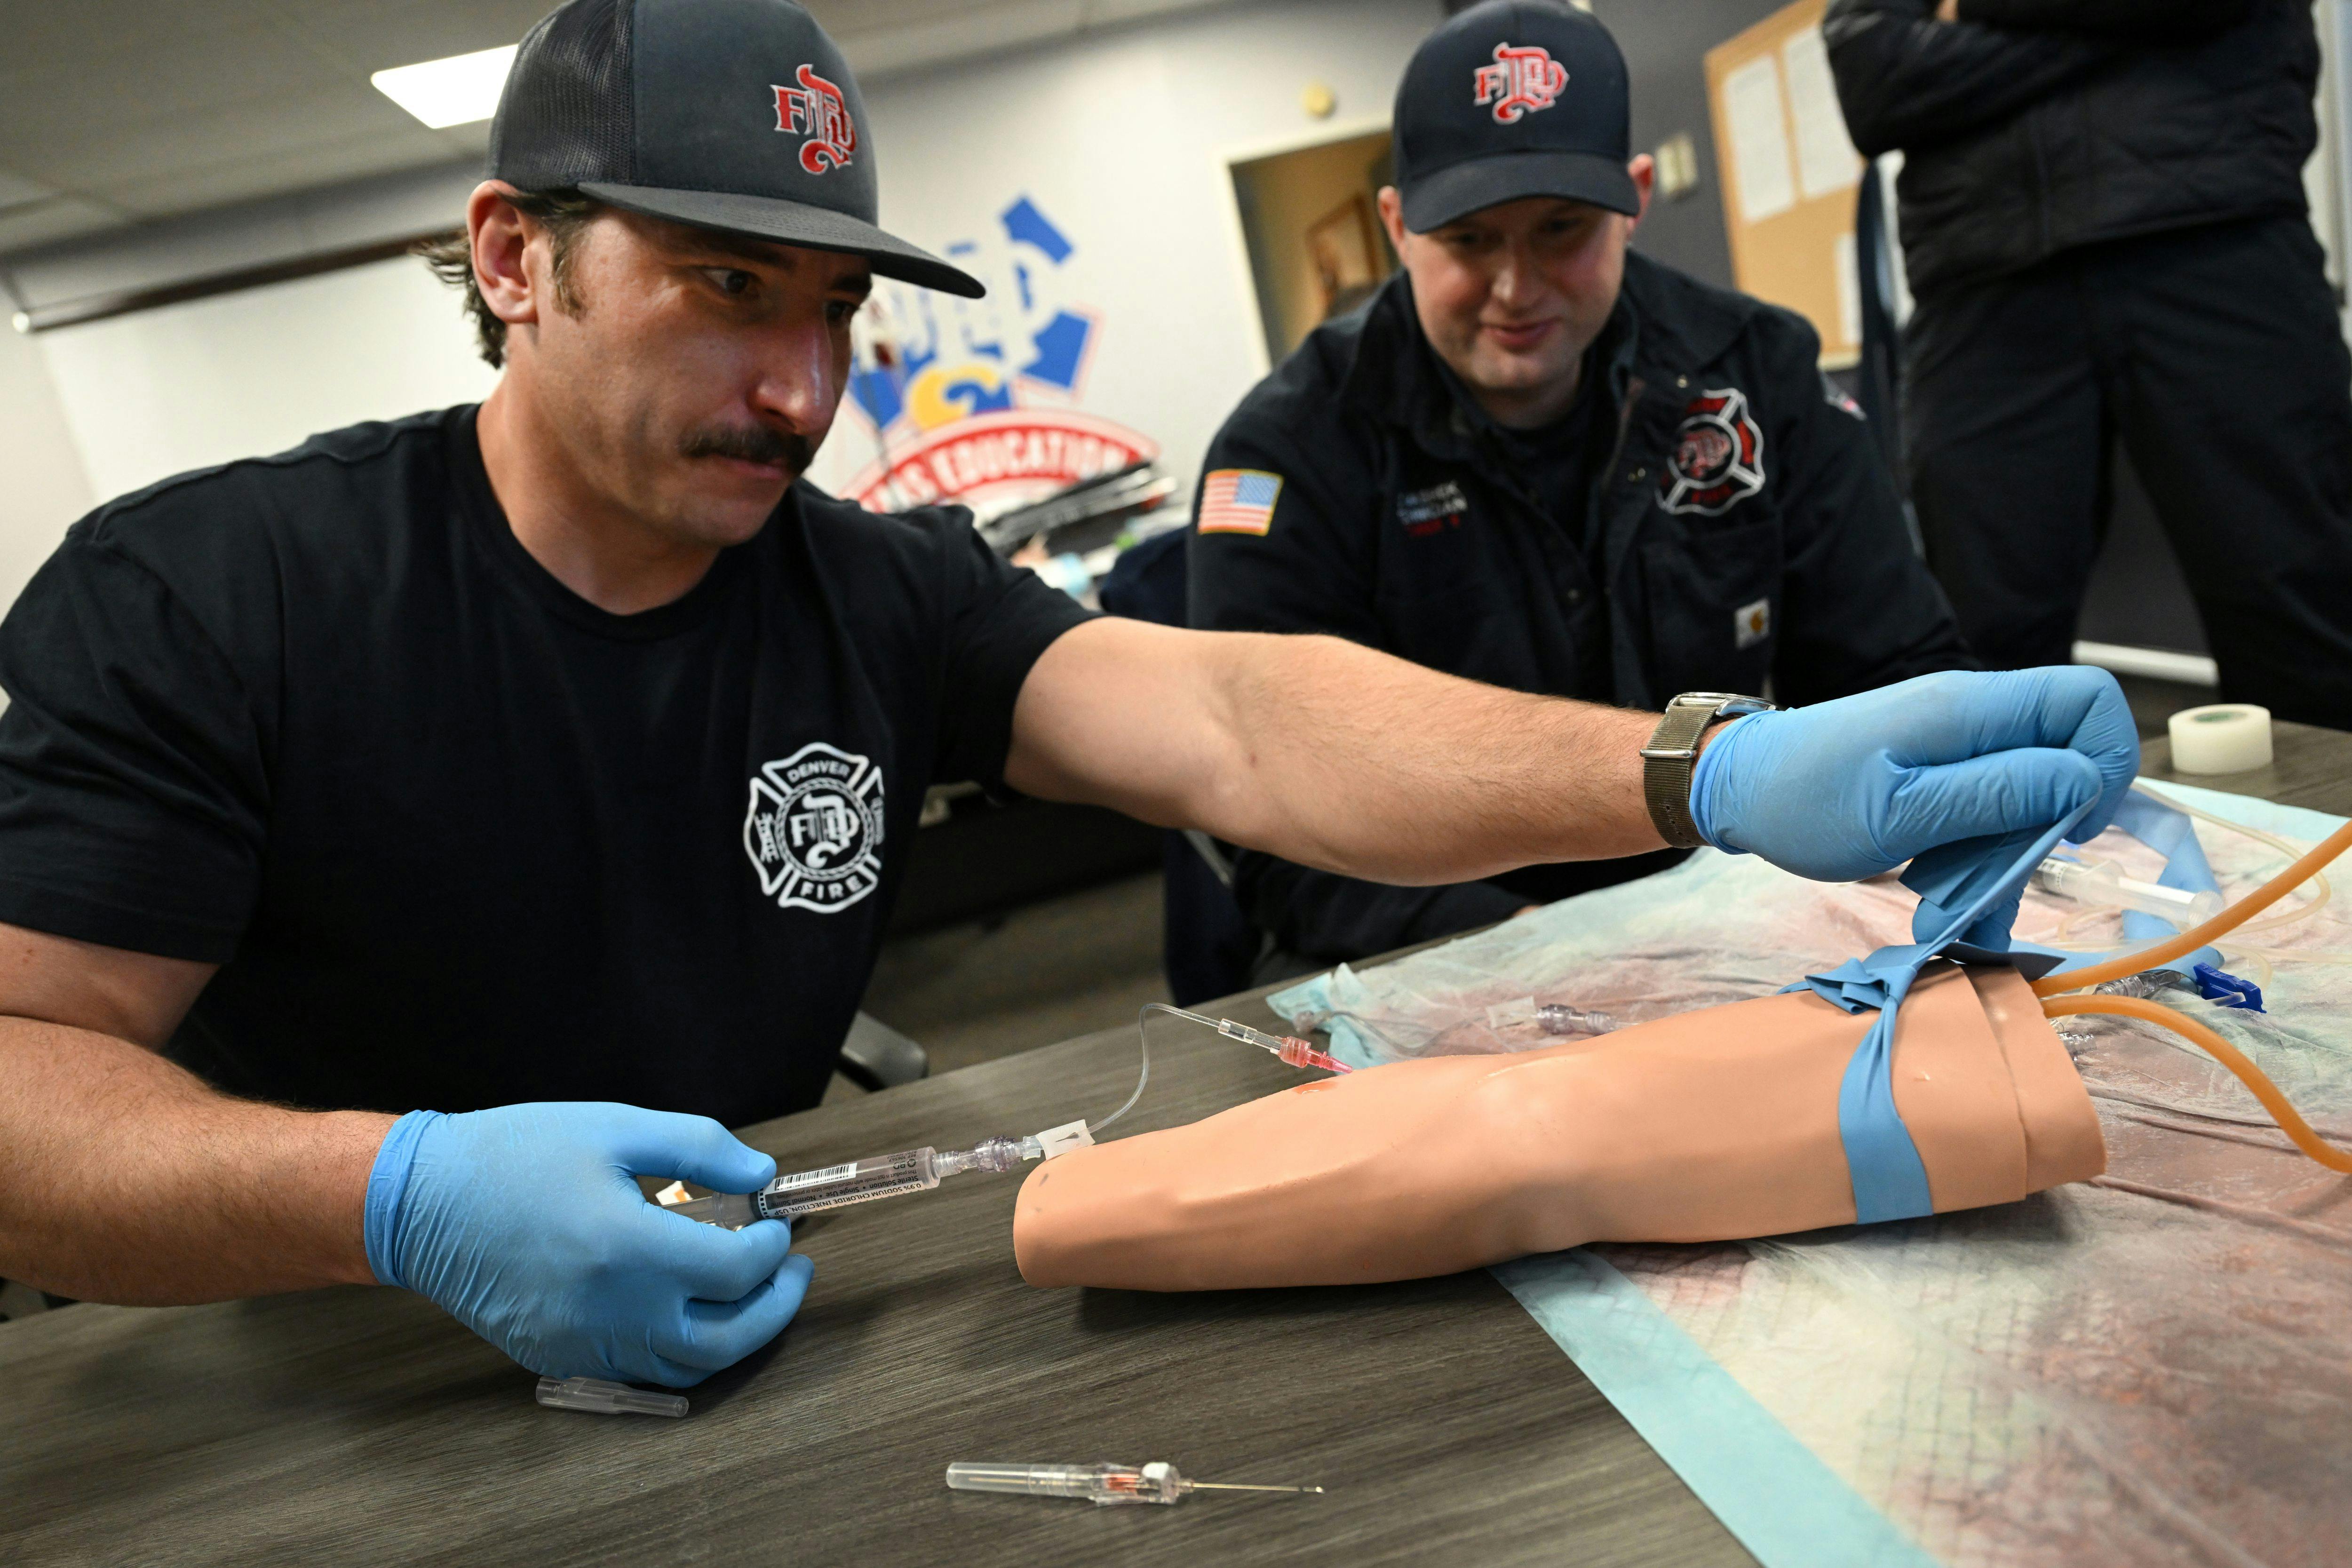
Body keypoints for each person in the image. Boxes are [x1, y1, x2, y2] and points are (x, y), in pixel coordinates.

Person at [0, 0, 2136, 1392]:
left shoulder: (863, 594)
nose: (797, 383)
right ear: (509, 255)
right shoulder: (211, 598)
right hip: (303, 1365)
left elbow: (1239, 725)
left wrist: (1706, 765)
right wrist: (386, 1200)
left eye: (833, 303)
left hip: (758, 1322)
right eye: (723, 284)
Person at [1188, 0, 1976, 974]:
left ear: (1635, 198)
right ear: (1398, 225)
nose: (1517, 289)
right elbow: (1271, 810)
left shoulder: (1757, 369)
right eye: (1470, 241)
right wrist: (1532, 954)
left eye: (1561, 231)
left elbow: (1891, 674)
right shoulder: (1288, 451)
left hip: (1735, 917)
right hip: (1443, 953)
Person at [1827, 0, 2352, 728]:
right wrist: (2144, 30)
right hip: (1981, 284)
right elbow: (1873, 80)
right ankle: (2004, 841)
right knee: (1978, 656)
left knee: (2300, 616)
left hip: (2217, 239)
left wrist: (1969, 11)